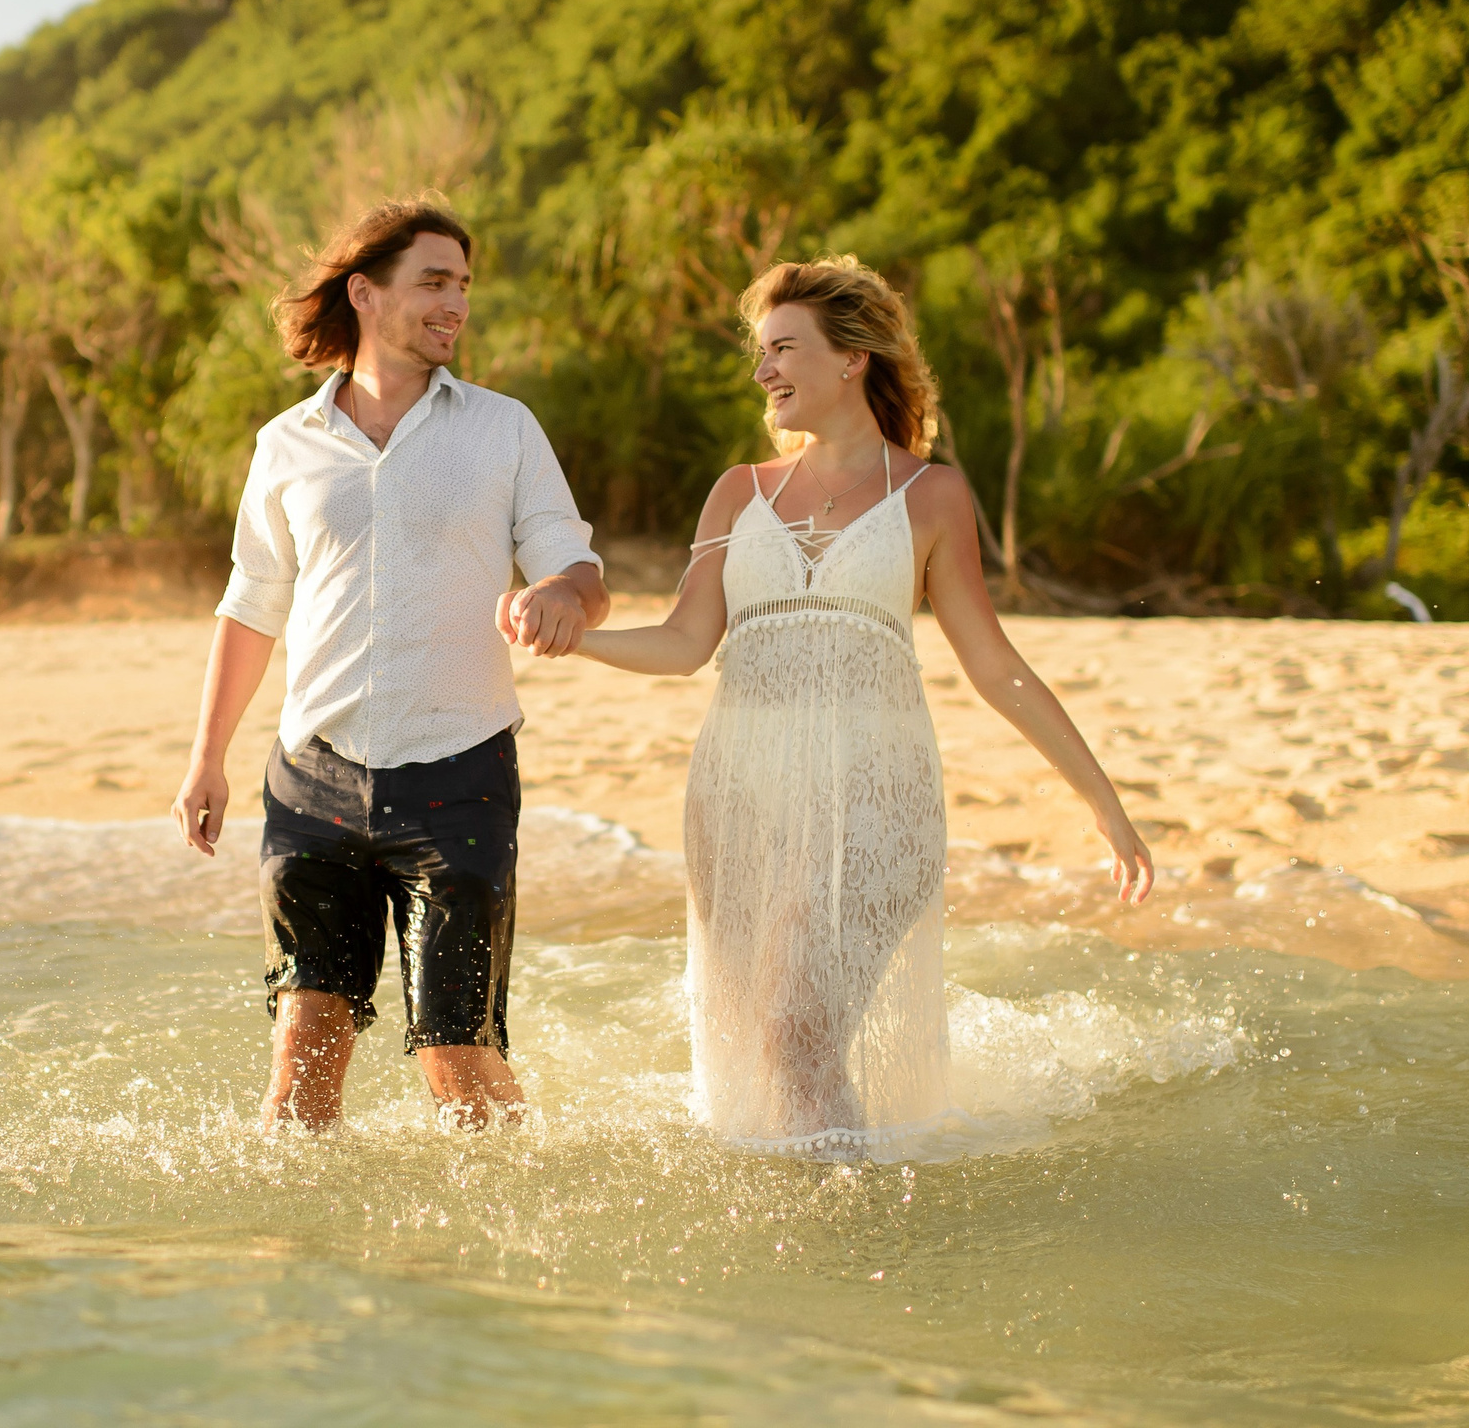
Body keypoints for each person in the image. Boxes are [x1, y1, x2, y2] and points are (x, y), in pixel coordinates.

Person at [571, 256, 1155, 1159]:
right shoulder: (739, 490)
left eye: (784, 349)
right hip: (740, 803)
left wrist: (1105, 806)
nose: (764, 370)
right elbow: (686, 644)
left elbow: (995, 664)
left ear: (852, 360)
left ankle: (849, 1244)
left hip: (873, 799)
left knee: (794, 1031)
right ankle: (817, 1235)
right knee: (763, 1049)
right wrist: (573, 635)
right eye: (760, 352)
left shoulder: (932, 494)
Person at [170, 198, 610, 1135]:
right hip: (311, 781)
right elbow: (252, 605)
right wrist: (206, 758)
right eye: (434, 283)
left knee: (459, 1057)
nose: (455, 304)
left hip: (459, 776)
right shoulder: (285, 444)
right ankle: (297, 1271)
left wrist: (567, 598)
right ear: (364, 293)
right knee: (300, 1063)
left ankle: (496, 1259)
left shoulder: (504, 429)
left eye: (462, 286)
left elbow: (573, 561)